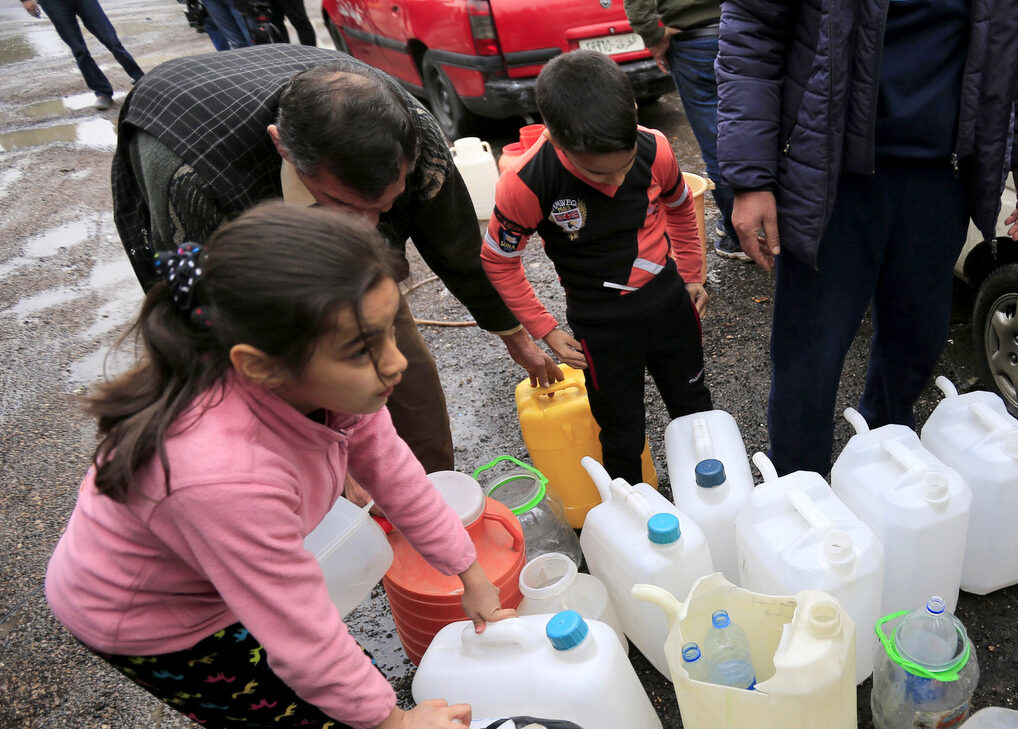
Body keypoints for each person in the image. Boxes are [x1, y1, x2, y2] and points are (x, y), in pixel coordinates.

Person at [46, 204, 516, 729]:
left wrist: (466, 572)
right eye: (363, 348)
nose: (396, 362)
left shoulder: (328, 386)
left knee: (321, 685)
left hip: (214, 576)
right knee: (295, 726)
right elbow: (299, 631)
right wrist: (397, 722)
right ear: (259, 365)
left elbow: (398, 474)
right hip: (146, 618)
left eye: (389, 331)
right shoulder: (220, 474)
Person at [110, 45, 568, 475]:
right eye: (343, 204)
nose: (367, 227)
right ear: (282, 148)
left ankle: (434, 486)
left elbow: (457, 247)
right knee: (283, 408)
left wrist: (513, 334)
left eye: (384, 206)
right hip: (188, 138)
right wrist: (324, 458)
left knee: (409, 384)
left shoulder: (415, 135)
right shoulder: (193, 181)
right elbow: (206, 318)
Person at [715, 0, 1018, 476]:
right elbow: (753, 31)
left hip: (943, 174)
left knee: (917, 340)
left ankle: (883, 458)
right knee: (810, 353)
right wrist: (751, 178)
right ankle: (798, 484)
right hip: (832, 177)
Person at [481, 50, 713, 485]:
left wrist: (692, 273)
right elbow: (499, 259)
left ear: (634, 113)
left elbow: (681, 208)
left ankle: (714, 498)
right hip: (601, 327)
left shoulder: (655, 147)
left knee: (695, 408)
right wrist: (544, 328)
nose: (615, 183)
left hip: (669, 305)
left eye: (623, 168)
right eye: (596, 174)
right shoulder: (527, 182)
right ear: (555, 138)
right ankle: (632, 516)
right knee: (621, 433)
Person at [622, 0, 744, 261]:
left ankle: (740, 235)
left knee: (717, 140)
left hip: (693, 40)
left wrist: (653, 35)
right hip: (746, 28)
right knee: (756, 125)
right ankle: (766, 221)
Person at [20, 0, 143, 110]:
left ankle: (139, 78)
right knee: (79, 50)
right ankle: (102, 93)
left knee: (111, 40)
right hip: (53, 4)